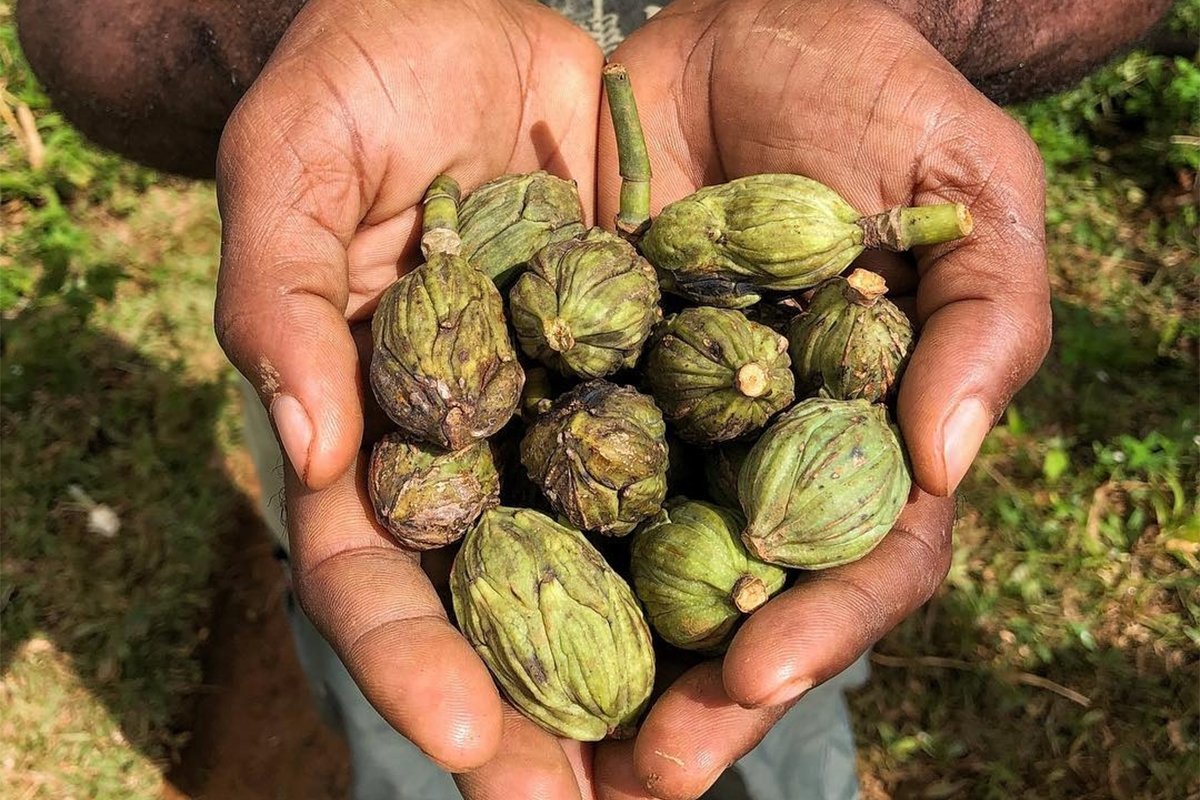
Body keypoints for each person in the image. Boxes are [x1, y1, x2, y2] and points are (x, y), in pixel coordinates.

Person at [16, 1, 1173, 798]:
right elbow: (92, 27)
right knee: (421, 717)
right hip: (384, 395)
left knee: (770, 682)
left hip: (703, 547)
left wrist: (881, 17)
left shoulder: (747, 376)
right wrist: (296, 26)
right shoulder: (499, 365)